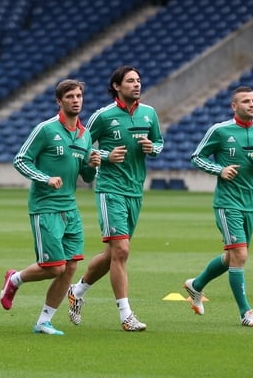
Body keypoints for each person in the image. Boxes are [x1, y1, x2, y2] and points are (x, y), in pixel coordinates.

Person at [0, 79, 101, 335]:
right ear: (59, 101)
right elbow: (20, 160)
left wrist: (92, 164)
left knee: (70, 267)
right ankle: (14, 280)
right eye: (70, 96)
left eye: (79, 96)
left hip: (71, 208)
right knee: (54, 266)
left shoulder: (85, 134)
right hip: (45, 207)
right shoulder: (46, 129)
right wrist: (45, 178)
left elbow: (87, 178)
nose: (76, 100)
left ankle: (44, 321)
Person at [67, 65, 164, 331]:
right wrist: (106, 157)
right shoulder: (103, 116)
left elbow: (159, 142)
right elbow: (81, 145)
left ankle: (77, 291)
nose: (137, 84)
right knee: (121, 250)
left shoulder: (149, 114)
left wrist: (152, 148)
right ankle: (126, 315)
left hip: (135, 190)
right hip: (110, 189)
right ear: (116, 86)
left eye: (138, 80)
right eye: (130, 81)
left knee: (113, 253)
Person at [183, 86, 253, 327]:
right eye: (246, 101)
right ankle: (246, 313)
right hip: (228, 203)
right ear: (234, 106)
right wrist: (220, 169)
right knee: (240, 255)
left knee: (231, 256)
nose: (252, 104)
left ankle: (196, 286)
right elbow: (197, 156)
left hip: (251, 204)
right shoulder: (220, 130)